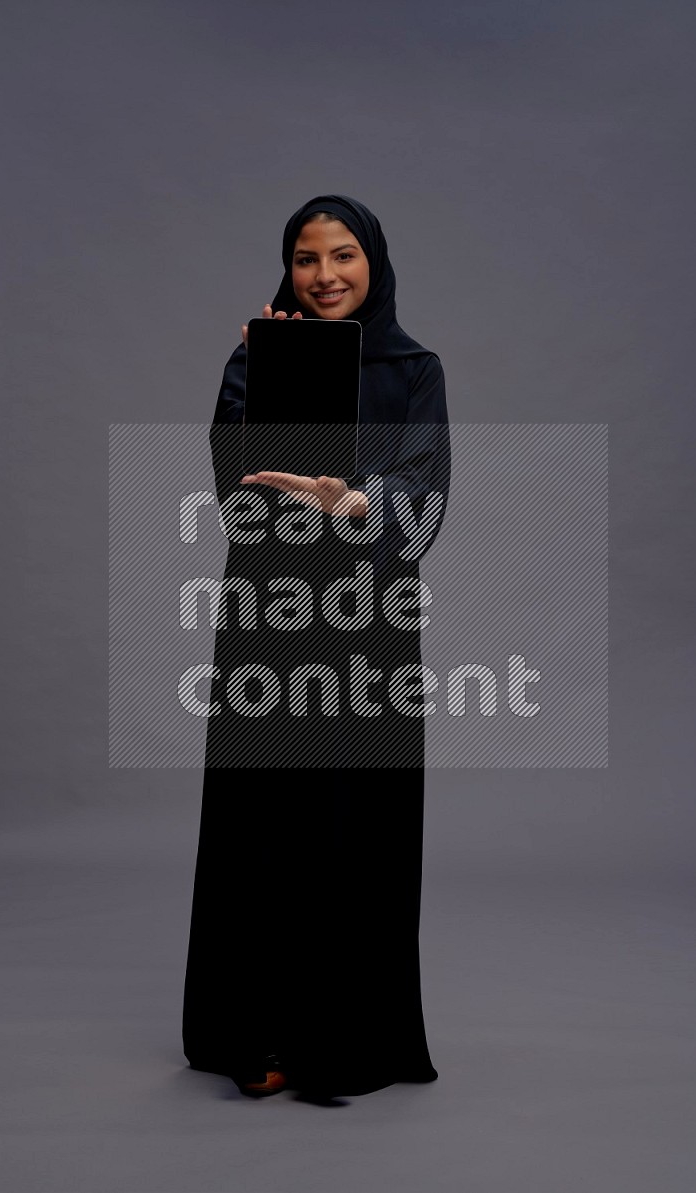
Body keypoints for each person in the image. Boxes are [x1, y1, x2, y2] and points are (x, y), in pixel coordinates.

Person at [182, 193, 451, 1099]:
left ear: (373, 261)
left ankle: (341, 1043)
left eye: (343, 255)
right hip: (272, 616)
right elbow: (234, 491)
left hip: (371, 626)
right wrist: (264, 378)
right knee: (263, 824)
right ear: (287, 266)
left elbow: (427, 493)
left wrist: (352, 502)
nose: (325, 275)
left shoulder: (416, 370)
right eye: (306, 258)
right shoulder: (251, 360)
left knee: (354, 829)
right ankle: (254, 1036)